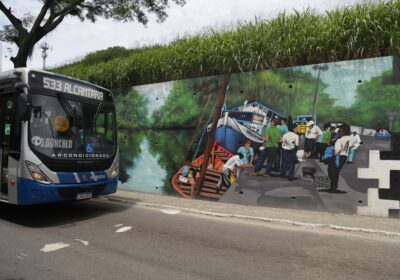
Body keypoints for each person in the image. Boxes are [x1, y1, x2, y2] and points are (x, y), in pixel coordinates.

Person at [326, 124, 351, 192]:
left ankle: (333, 187)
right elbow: (353, 145)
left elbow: (337, 150)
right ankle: (334, 186)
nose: (338, 132)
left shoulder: (339, 140)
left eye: (339, 131)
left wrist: (332, 155)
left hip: (338, 156)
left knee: (331, 171)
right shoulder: (350, 138)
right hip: (344, 156)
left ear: (342, 131)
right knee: (336, 171)